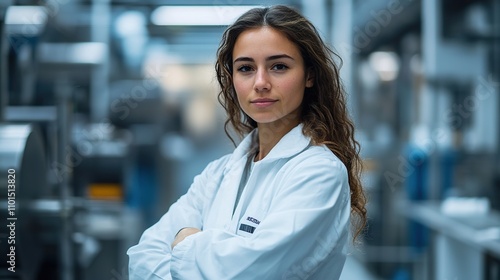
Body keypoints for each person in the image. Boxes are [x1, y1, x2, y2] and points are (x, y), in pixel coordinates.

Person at [127, 5, 366, 279]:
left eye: (279, 66)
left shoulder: (319, 173)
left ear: (309, 75)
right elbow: (141, 257)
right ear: (232, 78)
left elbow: (246, 274)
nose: (260, 82)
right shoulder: (217, 174)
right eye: (246, 68)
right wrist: (205, 258)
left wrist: (183, 241)